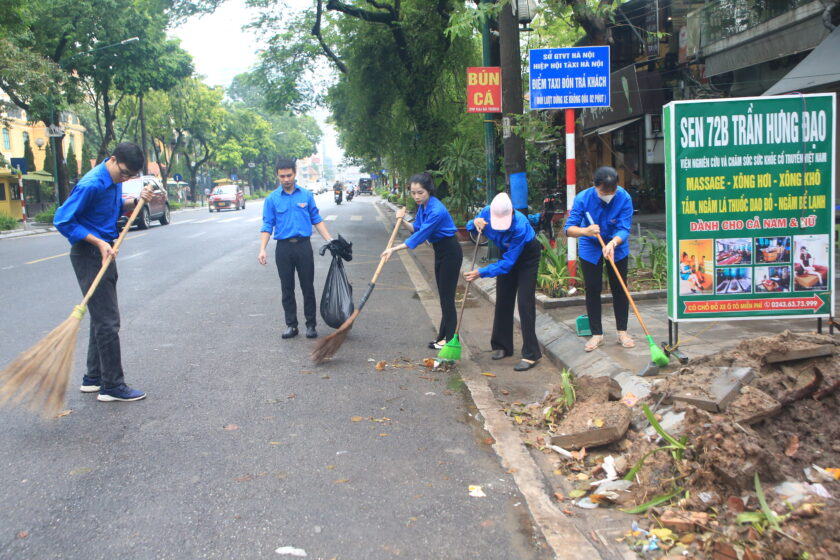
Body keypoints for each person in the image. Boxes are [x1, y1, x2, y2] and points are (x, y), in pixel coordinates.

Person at [53, 142, 151, 402]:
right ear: (113, 159)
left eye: (131, 176)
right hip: (89, 254)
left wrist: (135, 201)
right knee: (109, 321)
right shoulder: (91, 184)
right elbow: (62, 220)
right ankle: (112, 385)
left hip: (105, 251)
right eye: (124, 173)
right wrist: (98, 242)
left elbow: (109, 209)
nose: (126, 178)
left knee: (100, 317)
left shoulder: (114, 180)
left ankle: (93, 378)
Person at [381, 173, 463, 349]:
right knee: (443, 297)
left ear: (429, 191)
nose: (416, 197)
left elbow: (419, 237)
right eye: (413, 193)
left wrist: (394, 249)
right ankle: (442, 338)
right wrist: (401, 220)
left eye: (420, 193)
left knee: (447, 299)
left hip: (450, 252)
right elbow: (415, 228)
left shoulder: (436, 211)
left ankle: (450, 342)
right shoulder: (423, 208)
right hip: (440, 252)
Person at [463, 192, 541, 371]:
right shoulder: (487, 212)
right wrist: (474, 224)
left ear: (512, 214)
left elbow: (507, 264)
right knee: (503, 298)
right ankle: (502, 346)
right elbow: (472, 227)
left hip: (526, 256)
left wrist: (481, 272)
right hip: (505, 253)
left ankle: (531, 354)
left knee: (524, 302)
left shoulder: (520, 226)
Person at [259, 158, 334, 339]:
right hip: (283, 249)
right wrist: (262, 249)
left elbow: (316, 219)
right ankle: (291, 325)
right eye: (282, 176)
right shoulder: (272, 199)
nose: (286, 179)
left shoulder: (306, 196)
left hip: (303, 247)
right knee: (287, 288)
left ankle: (311, 325)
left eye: (289, 175)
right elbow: (267, 225)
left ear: (295, 173)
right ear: (277, 176)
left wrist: (330, 240)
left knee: (307, 287)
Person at [564, 166, 635, 352]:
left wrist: (613, 243)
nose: (608, 195)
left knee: (620, 288)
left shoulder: (624, 198)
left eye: (612, 191)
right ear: (595, 186)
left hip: (616, 246)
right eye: (604, 191)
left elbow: (624, 228)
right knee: (593, 288)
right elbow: (569, 229)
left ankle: (622, 332)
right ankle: (597, 334)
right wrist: (585, 231)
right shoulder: (582, 198)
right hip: (590, 246)